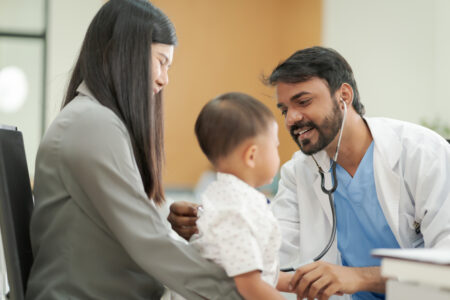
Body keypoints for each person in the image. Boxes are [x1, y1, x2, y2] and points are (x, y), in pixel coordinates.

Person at [168, 46, 450, 300]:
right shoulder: (299, 171)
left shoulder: (421, 153)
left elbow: (446, 267)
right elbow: (270, 251)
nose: (291, 119)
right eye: (284, 109)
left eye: (303, 102)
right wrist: (211, 223)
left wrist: (359, 277)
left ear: (344, 96)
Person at [26, 1, 243, 299]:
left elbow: (135, 231)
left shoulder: (93, 119)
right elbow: (149, 242)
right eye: (161, 61)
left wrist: (163, 220)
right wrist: (239, 291)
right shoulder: (93, 124)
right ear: (123, 53)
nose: (164, 79)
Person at [190, 92, 295, 299]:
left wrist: (297, 282)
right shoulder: (234, 210)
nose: (278, 153)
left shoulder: (230, 197)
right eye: (275, 146)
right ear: (252, 155)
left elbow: (262, 273)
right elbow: (250, 286)